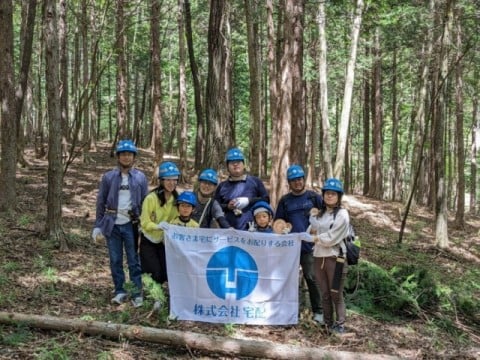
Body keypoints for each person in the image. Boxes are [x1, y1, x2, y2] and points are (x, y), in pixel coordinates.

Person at [92, 139, 148, 307]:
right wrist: (97, 225)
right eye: (123, 154)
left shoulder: (140, 177)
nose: (126, 157)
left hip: (132, 224)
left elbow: (146, 201)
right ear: (118, 156)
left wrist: (144, 224)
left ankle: (137, 292)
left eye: (129, 154)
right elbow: (101, 202)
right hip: (112, 224)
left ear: (134, 157)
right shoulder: (109, 177)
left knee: (133, 259)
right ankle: (120, 291)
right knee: (115, 259)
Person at [274, 164, 324, 324]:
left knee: (311, 277)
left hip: (310, 247)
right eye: (294, 180)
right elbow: (278, 222)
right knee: (288, 279)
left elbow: (328, 216)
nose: (297, 182)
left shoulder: (314, 197)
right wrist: (282, 228)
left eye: (300, 179)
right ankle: (289, 312)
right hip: (289, 249)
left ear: (304, 180)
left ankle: (319, 312)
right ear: (289, 182)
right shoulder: (285, 201)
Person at [308, 178, 349, 334]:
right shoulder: (321, 214)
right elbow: (310, 230)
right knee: (324, 292)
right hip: (319, 256)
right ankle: (327, 322)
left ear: (339, 196)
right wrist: (313, 220)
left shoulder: (342, 214)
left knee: (335, 293)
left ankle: (340, 324)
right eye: (327, 193)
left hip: (335, 257)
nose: (329, 196)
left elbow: (332, 237)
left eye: (333, 194)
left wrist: (318, 238)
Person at [139, 161, 180, 309]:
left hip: (164, 241)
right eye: (168, 179)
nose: (171, 183)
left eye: (174, 180)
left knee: (164, 270)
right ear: (161, 180)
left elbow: (176, 218)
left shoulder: (176, 199)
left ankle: (159, 294)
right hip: (149, 239)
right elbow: (144, 222)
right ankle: (156, 298)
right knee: (153, 270)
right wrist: (157, 226)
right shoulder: (151, 198)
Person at [214, 147, 269, 230]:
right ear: (227, 166)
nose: (235, 164)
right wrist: (227, 207)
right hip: (228, 231)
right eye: (232, 162)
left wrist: (248, 201)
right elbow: (215, 207)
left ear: (244, 164)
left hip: (253, 231)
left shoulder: (255, 181)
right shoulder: (222, 186)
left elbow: (266, 199)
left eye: (238, 162)